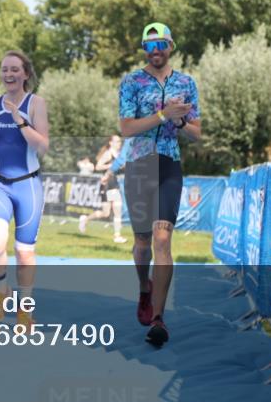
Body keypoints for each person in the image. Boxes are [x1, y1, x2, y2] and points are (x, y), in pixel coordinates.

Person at [118, 22, 201, 347]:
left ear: (171, 46)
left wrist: (181, 120)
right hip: (139, 163)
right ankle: (144, 288)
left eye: (161, 45)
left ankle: (158, 317)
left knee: (162, 239)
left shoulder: (186, 82)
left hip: (169, 164)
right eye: (149, 46)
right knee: (142, 242)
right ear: (143, 50)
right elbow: (126, 128)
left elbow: (197, 132)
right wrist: (163, 115)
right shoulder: (132, 82)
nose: (156, 51)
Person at [0, 51, 49, 332]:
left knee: (24, 252)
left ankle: (25, 310)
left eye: (15, 69)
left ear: (25, 74)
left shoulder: (36, 104)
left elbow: (42, 145)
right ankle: (0, 291)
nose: (9, 74)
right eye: (4, 69)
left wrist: (19, 118)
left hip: (28, 185)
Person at [78, 135, 127, 244]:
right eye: (117, 141)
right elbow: (98, 167)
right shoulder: (108, 154)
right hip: (107, 184)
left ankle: (86, 219)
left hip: (113, 183)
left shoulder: (118, 154)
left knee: (111, 212)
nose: (119, 143)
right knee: (112, 212)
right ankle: (116, 236)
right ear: (111, 143)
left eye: (120, 141)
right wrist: (111, 165)